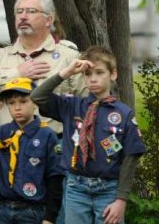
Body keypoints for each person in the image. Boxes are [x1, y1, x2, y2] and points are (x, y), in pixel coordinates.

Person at [30, 47, 146, 224]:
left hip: (109, 189)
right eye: (87, 73)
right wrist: (67, 72)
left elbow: (131, 157)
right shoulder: (72, 106)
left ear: (113, 74)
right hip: (76, 187)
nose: (93, 79)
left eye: (99, 73)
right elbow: (38, 96)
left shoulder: (123, 114)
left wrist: (121, 200)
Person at [0, 0, 87, 133]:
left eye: (31, 11)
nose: (23, 17)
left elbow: (88, 104)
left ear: (48, 20)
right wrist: (16, 73)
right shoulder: (0, 56)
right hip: (8, 149)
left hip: (54, 149)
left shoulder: (68, 56)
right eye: (19, 12)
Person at [0, 77, 63, 224]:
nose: (17, 107)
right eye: (11, 103)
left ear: (35, 103)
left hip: (33, 210)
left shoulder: (47, 135)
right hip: (3, 209)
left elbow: (55, 178)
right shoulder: (2, 133)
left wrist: (50, 217)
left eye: (23, 101)